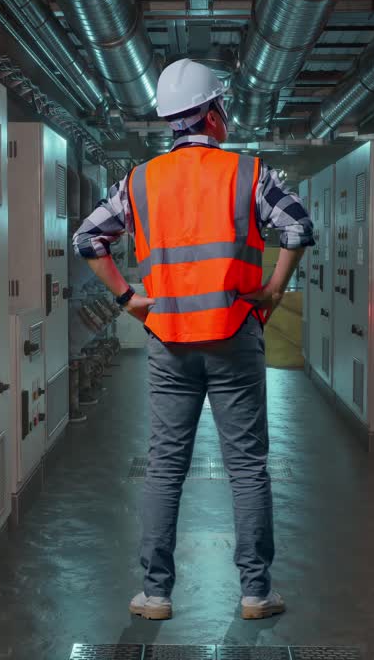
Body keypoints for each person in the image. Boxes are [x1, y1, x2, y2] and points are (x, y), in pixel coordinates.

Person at [72, 59, 314, 621]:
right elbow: (299, 227)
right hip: (234, 337)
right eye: (222, 108)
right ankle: (256, 592)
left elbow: (89, 238)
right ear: (212, 114)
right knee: (248, 467)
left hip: (169, 341)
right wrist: (275, 289)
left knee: (165, 466)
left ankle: (155, 594)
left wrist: (127, 299)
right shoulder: (249, 174)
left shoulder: (139, 181)